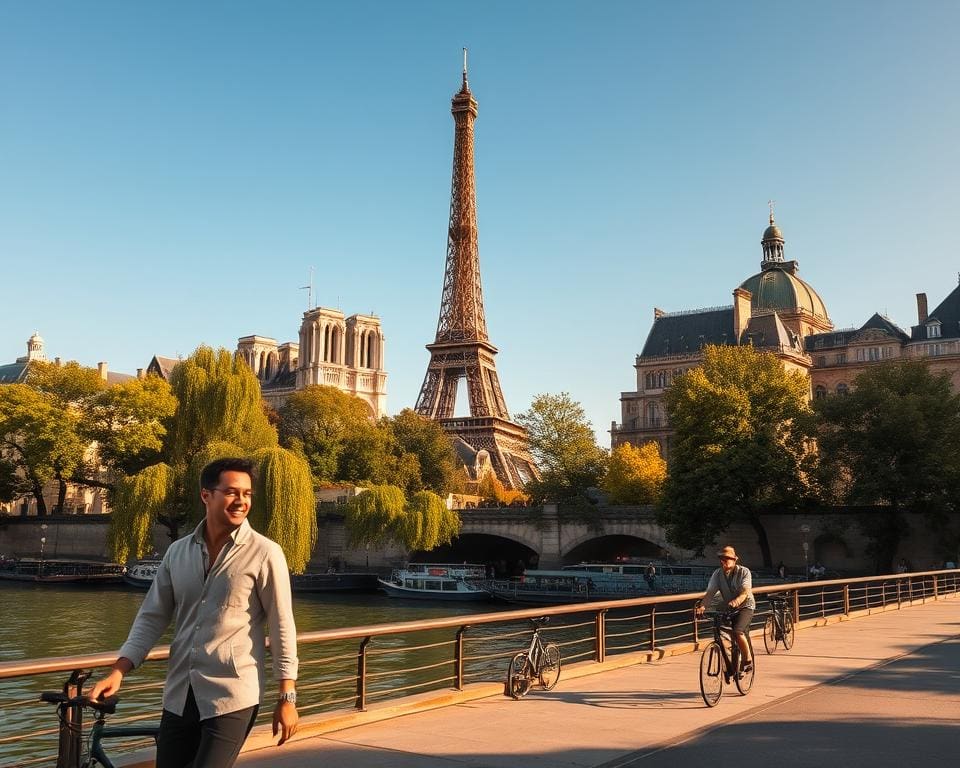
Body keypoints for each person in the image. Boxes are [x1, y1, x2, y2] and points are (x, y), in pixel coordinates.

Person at [90, 458, 299, 768]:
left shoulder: (265, 552)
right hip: (179, 694)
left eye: (247, 494)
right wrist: (119, 671)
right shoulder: (178, 552)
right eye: (231, 492)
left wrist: (287, 696)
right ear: (206, 495)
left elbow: (282, 624)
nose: (241, 501)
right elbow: (152, 616)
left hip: (232, 695)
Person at [695, 545, 755, 674]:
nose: (724, 561)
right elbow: (710, 593)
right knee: (723, 632)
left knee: (738, 631)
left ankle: (747, 660)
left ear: (734, 560)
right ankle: (731, 665)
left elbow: (745, 591)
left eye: (727, 558)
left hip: (745, 606)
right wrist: (702, 606)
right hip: (729, 607)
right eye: (722, 559)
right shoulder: (717, 574)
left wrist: (737, 601)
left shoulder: (744, 572)